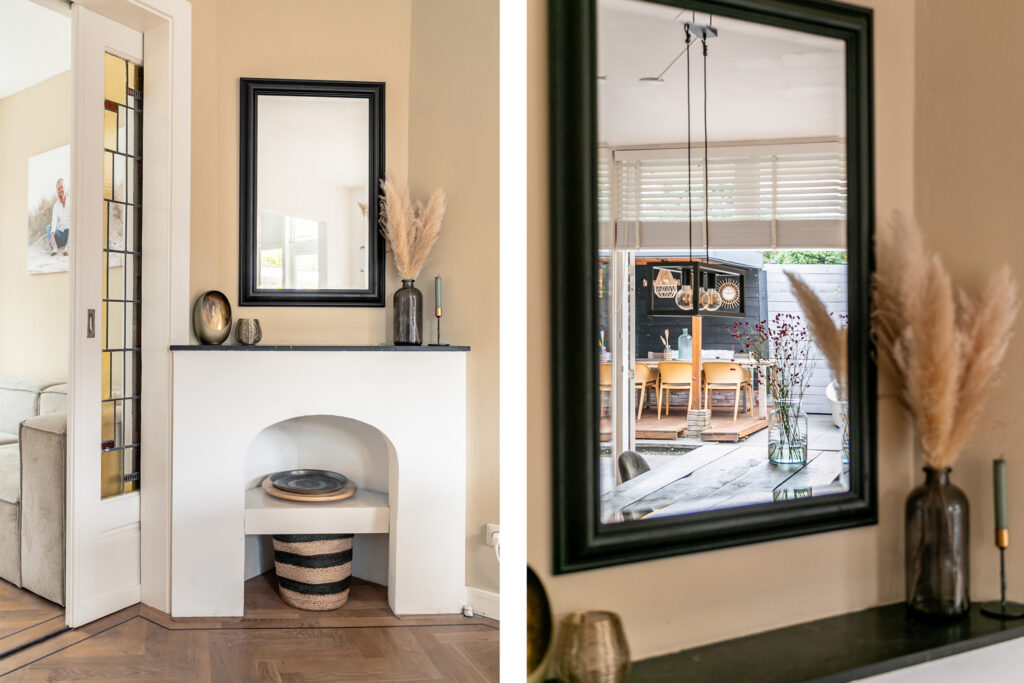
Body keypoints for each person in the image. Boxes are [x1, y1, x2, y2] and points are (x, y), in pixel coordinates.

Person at [46, 178, 70, 256]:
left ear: (65, 188)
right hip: (60, 235)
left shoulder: (71, 201)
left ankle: (67, 248)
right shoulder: (56, 206)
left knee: (73, 227)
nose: (60, 190)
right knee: (48, 228)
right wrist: (52, 234)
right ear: (57, 191)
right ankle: (54, 248)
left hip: (69, 234)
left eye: (61, 187)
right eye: (58, 189)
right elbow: (54, 221)